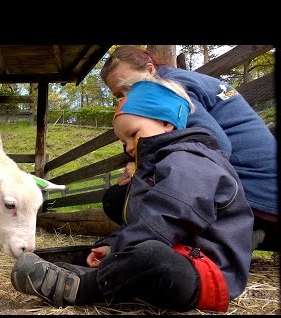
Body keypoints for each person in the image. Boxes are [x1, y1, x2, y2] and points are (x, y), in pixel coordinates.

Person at [10, 78, 254, 312]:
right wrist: (111, 245)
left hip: (205, 272)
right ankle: (94, 270)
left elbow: (166, 218)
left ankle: (83, 288)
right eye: (123, 141)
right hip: (174, 251)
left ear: (166, 122)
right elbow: (142, 221)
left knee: (150, 257)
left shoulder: (191, 161)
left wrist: (120, 248)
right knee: (122, 250)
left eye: (133, 134)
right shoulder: (158, 165)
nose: (128, 146)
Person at [99, 45, 278, 251]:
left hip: (255, 198)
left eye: (128, 87)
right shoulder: (181, 80)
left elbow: (216, 146)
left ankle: (234, 235)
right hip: (265, 193)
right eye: (119, 95)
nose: (126, 97)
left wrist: (143, 168)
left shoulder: (169, 88)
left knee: (119, 198)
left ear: (149, 70)